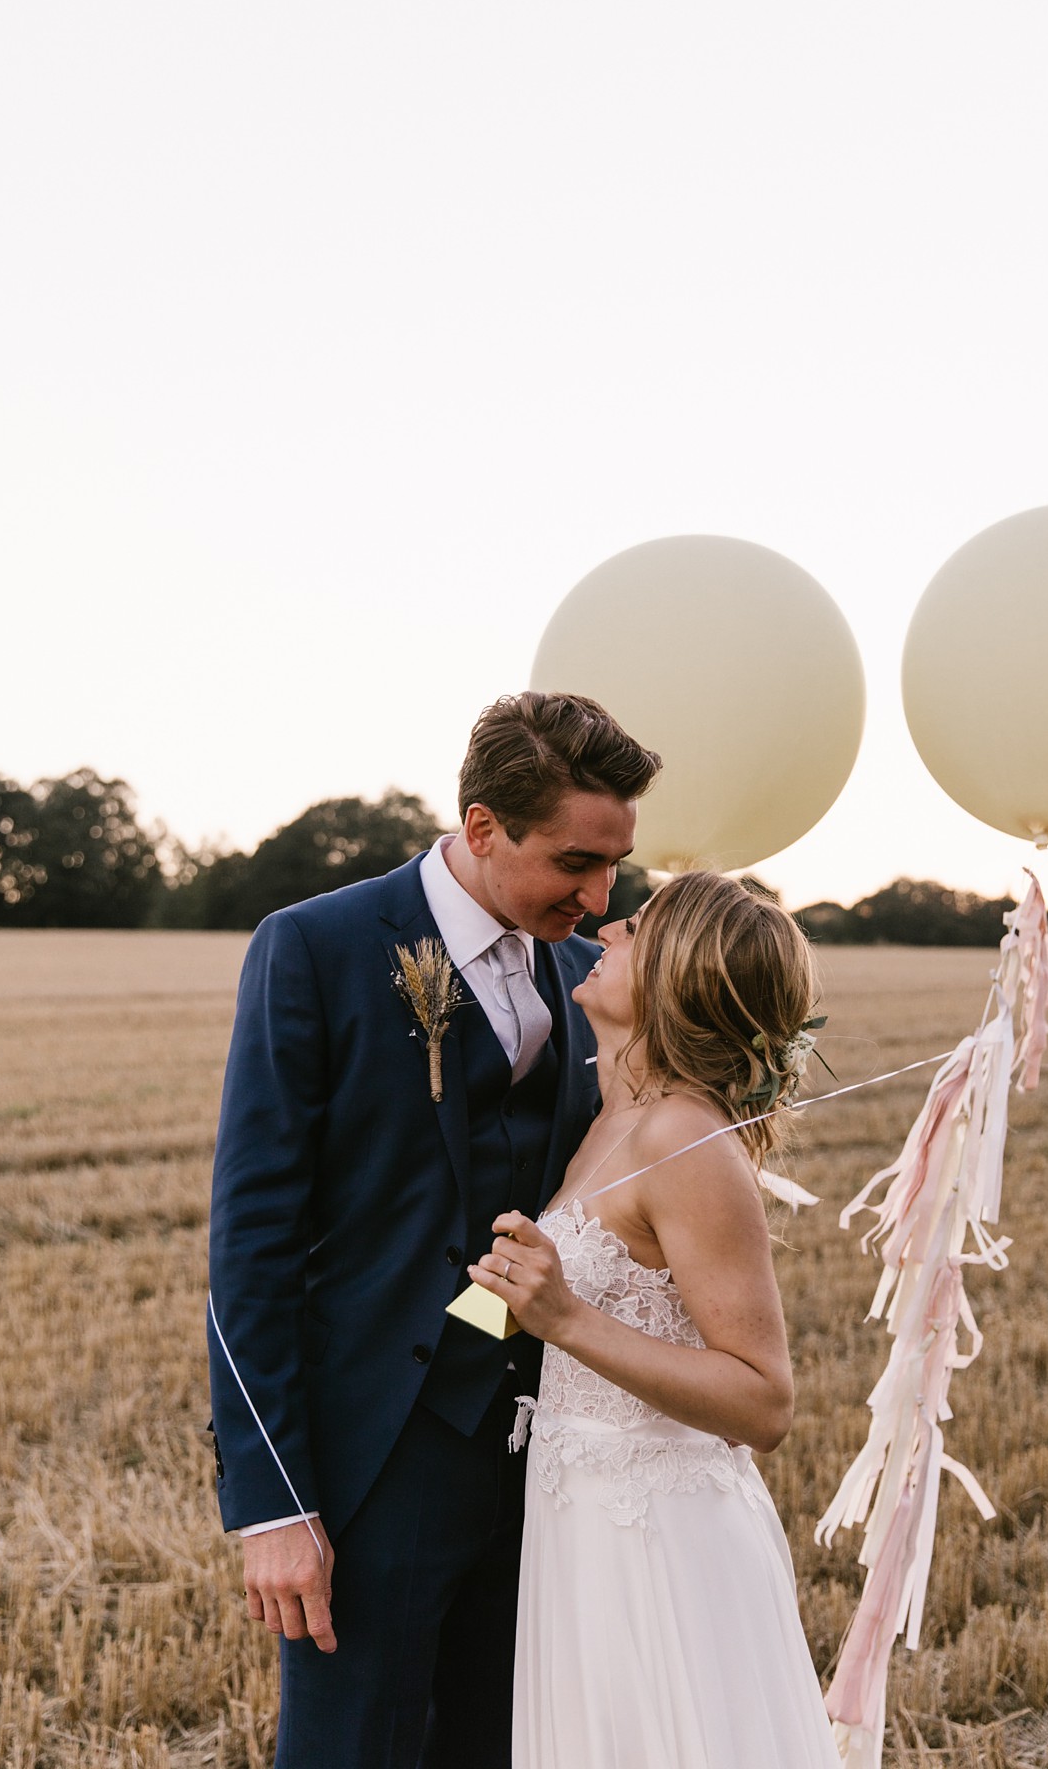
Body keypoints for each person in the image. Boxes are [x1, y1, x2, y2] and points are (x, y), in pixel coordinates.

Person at [206, 691, 661, 1768]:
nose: (599, 899)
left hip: (554, 1452)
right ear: (482, 827)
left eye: (615, 868)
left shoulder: (594, 978)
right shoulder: (312, 949)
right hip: (375, 1454)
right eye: (573, 864)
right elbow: (253, 1239)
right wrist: (270, 1504)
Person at [469, 870, 843, 1769]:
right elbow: (523, 1309)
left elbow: (764, 1403)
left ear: (677, 973)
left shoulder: (684, 1139)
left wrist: (563, 1317)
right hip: (577, 1526)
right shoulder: (607, 1124)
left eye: (630, 932)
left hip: (661, 1544)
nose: (601, 936)